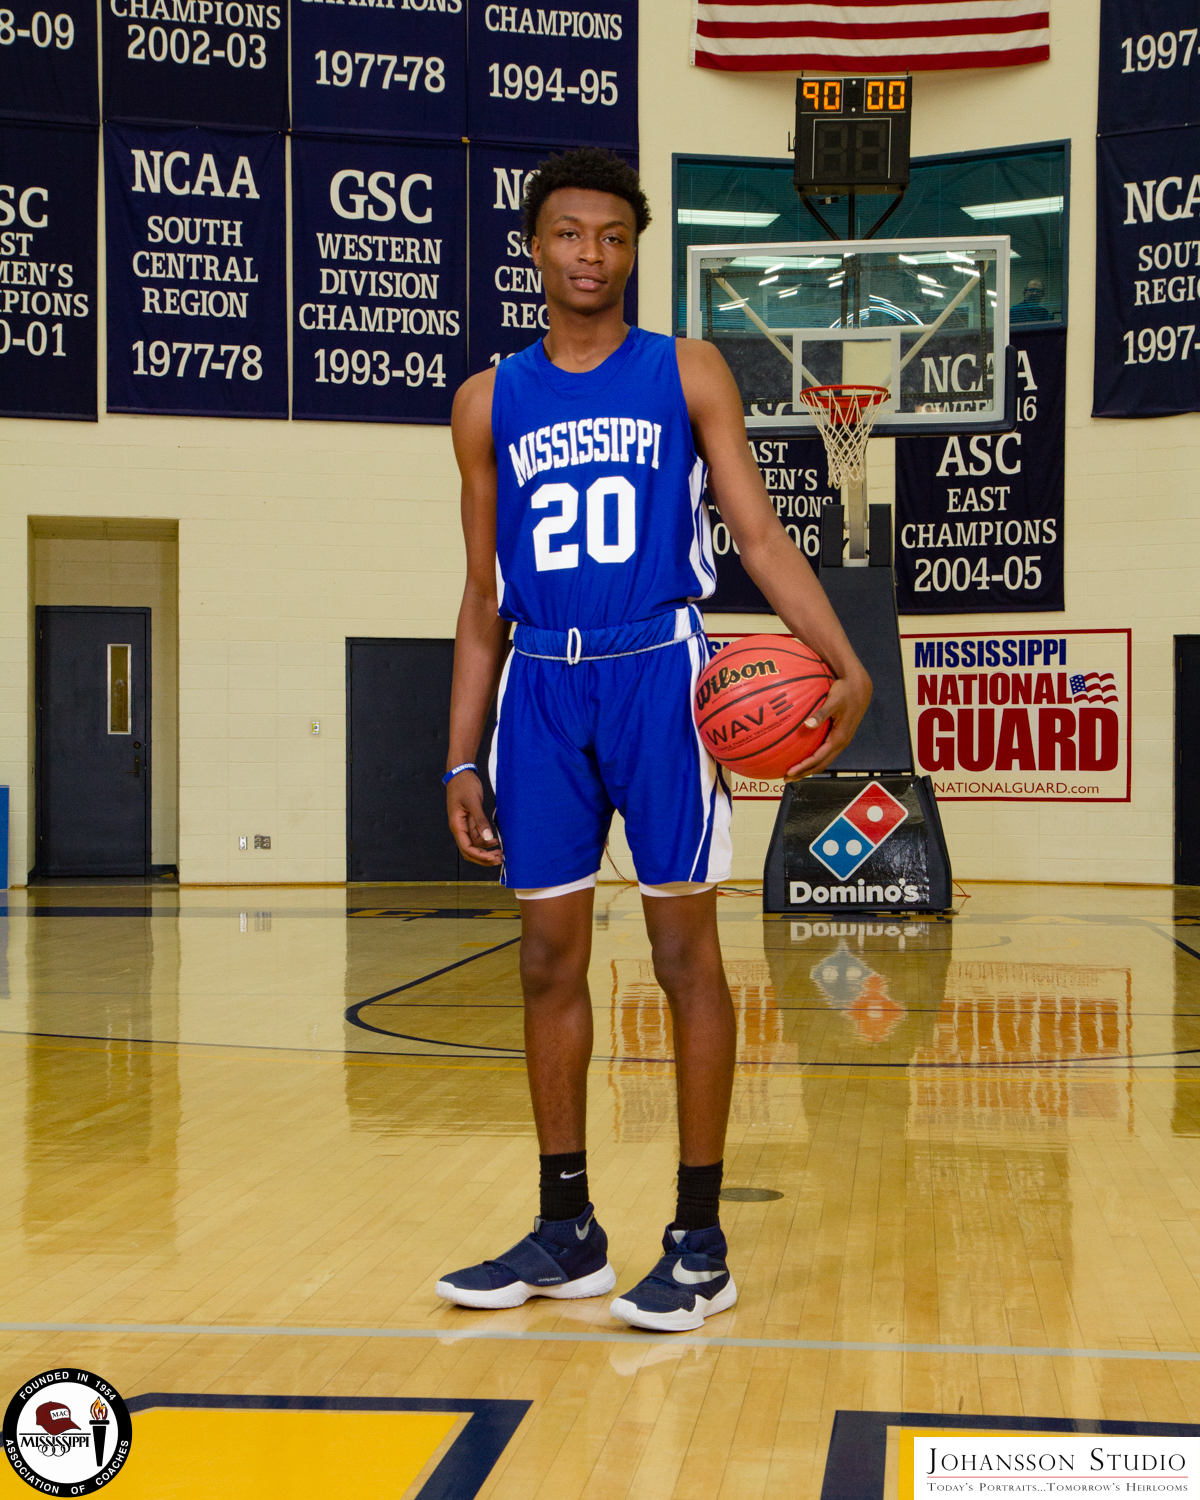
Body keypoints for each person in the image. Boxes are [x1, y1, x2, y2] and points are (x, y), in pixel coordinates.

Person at [436, 147, 871, 1333]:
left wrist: (843, 660)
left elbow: (760, 537)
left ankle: (699, 1242)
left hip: (659, 677)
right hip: (539, 686)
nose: (591, 254)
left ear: (635, 250)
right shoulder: (486, 402)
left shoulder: (685, 370)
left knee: (686, 958)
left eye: (614, 236)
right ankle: (566, 1231)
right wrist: (461, 754)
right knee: (545, 961)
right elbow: (480, 595)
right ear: (535, 248)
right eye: (569, 233)